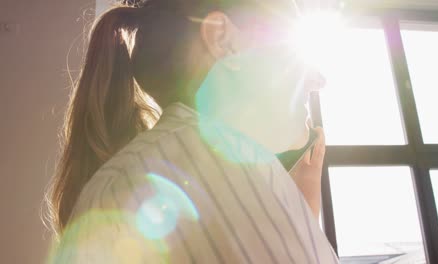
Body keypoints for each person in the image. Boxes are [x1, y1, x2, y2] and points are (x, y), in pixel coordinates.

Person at [45, 0, 339, 263]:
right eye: (290, 47)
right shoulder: (237, 181)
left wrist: (297, 214)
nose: (318, 80)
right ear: (223, 39)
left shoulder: (120, 176)